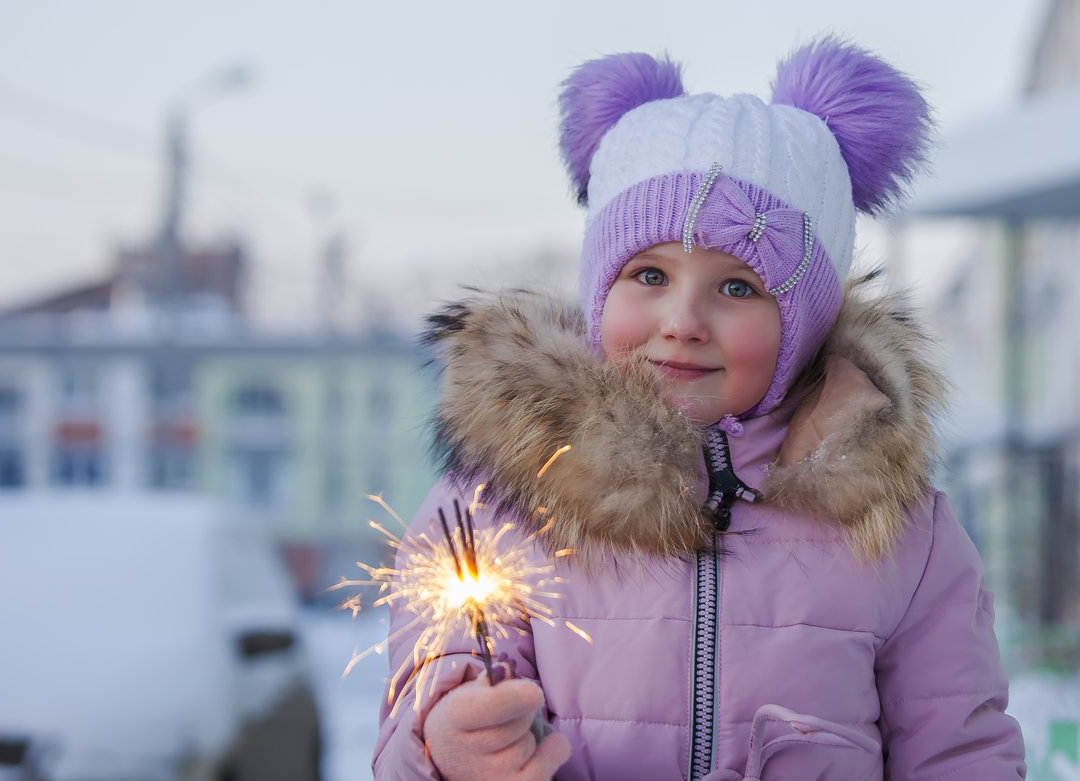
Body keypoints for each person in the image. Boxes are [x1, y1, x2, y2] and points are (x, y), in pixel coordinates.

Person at [372, 37, 1027, 781]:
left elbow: (960, 750)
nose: (682, 319)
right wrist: (445, 746)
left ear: (803, 323)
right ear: (599, 295)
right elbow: (428, 699)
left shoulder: (901, 537)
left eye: (737, 287)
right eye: (649, 274)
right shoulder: (497, 507)